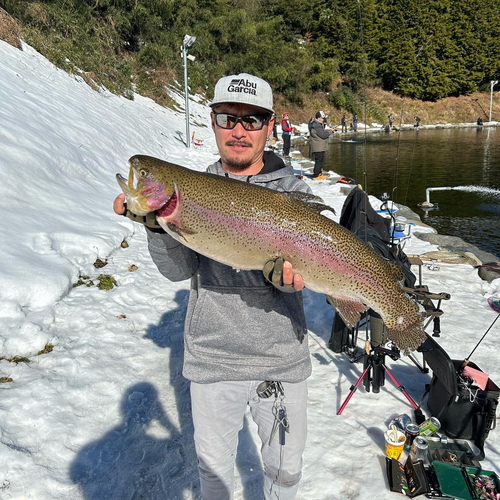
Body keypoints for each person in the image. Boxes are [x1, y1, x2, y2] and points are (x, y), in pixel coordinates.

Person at [114, 73, 311, 500]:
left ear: (270, 126)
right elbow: (177, 271)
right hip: (213, 358)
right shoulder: (194, 187)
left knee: (285, 476)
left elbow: (309, 278)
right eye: (228, 118)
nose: (239, 130)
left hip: (281, 359)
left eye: (252, 120)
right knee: (215, 478)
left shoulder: (295, 193)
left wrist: (292, 284)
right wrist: (159, 230)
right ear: (213, 122)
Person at [309, 110, 331, 180]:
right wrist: (330, 131)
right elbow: (323, 135)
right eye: (322, 118)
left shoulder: (314, 124)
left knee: (318, 160)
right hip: (318, 147)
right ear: (318, 118)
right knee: (319, 161)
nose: (323, 119)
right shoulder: (317, 125)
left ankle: (318, 173)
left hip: (317, 146)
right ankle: (317, 175)